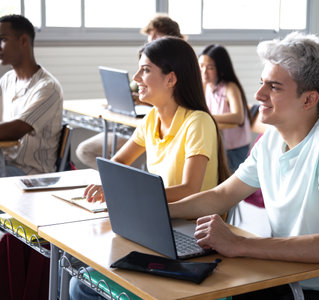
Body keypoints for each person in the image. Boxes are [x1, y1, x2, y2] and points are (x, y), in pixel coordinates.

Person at [169, 32, 319, 299]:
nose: (259, 94)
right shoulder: (272, 139)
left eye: (274, 87)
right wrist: (163, 211)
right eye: (262, 83)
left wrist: (240, 244)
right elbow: (222, 195)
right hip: (287, 278)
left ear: (309, 99)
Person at [69, 37, 230, 299]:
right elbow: (118, 163)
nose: (136, 77)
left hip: (190, 233)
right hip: (161, 225)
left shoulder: (197, 122)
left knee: (83, 288)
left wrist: (135, 197)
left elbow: (190, 188)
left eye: (145, 70)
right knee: (80, 284)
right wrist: (107, 185)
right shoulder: (151, 118)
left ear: (171, 79)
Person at [75, 14, 184, 169]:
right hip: (137, 125)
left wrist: (142, 100)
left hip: (154, 128)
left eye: (156, 35)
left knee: (88, 151)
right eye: (149, 35)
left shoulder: (181, 68)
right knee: (87, 151)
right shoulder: (150, 119)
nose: (151, 39)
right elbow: (133, 87)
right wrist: (125, 96)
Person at [0, 14, 63, 176]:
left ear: (23, 41)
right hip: (5, 163)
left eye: (3, 39)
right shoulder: (7, 79)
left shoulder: (48, 88)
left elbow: (16, 129)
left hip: (30, 174)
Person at [199, 44, 252, 172]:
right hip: (221, 145)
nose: (204, 71)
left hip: (235, 148)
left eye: (210, 67)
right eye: (201, 66)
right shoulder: (208, 87)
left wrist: (207, 117)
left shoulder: (230, 87)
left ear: (221, 68)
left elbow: (238, 117)